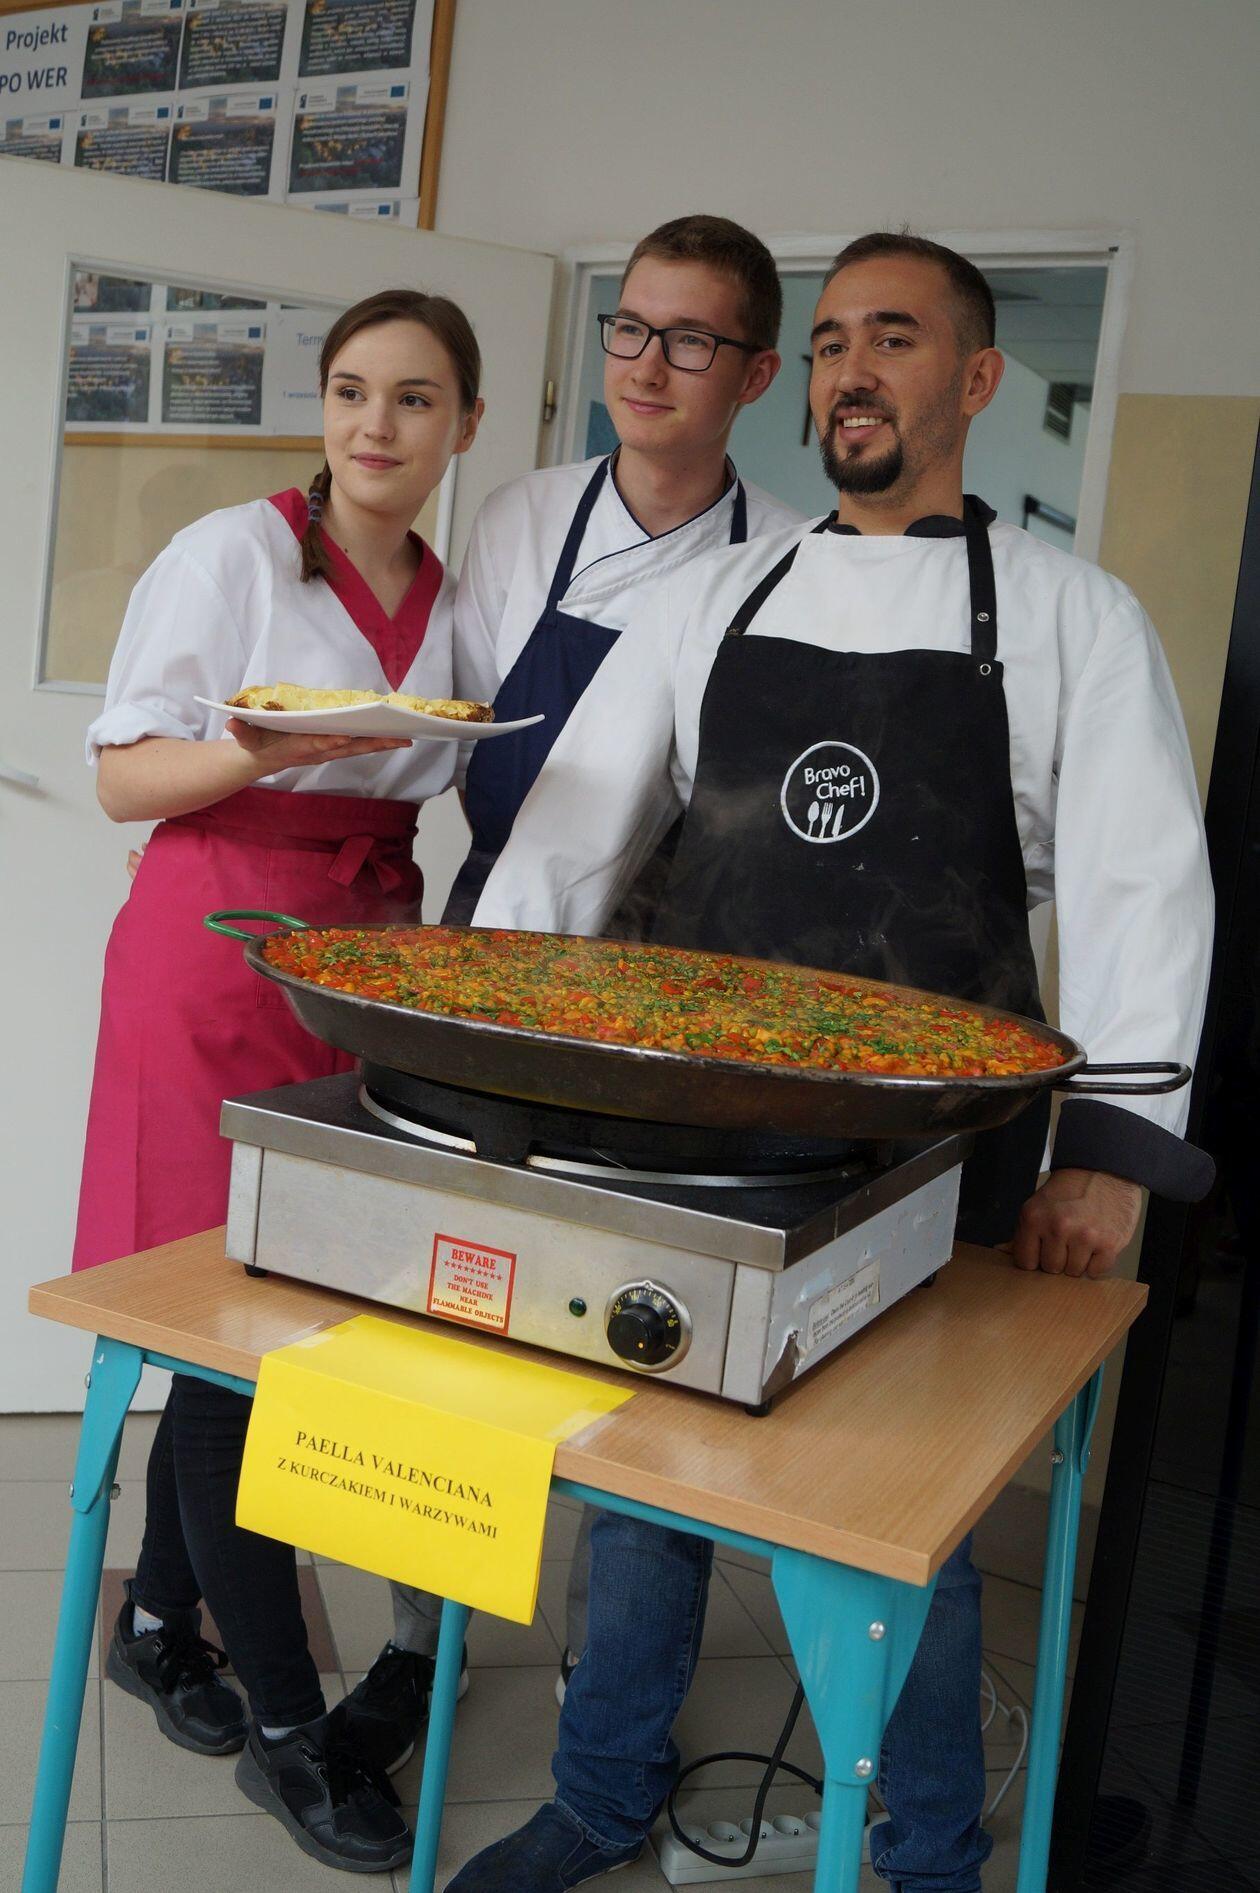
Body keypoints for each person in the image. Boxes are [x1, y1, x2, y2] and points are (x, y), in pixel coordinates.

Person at [443, 234, 1214, 1892]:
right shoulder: (717, 596)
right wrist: (499, 1054)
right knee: (645, 1477)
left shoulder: (1071, 615)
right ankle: (602, 1788)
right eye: (835, 340)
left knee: (895, 1521)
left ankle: (928, 1854)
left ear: (978, 378)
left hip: (937, 1159)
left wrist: (1110, 1154)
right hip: (702, 1135)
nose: (852, 371)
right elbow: (571, 834)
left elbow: (1144, 883)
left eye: (897, 338)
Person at [342, 214, 803, 1774]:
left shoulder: (784, 557)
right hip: (488, 940)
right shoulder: (525, 510)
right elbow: (451, 718)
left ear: (754, 374)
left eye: (690, 339)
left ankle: (611, 1692)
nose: (647, 365)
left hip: (666, 990)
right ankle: (421, 1638)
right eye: (629, 328)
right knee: (444, 1305)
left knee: (627, 1335)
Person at [74, 286, 484, 1874]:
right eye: (353, 389)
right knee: (227, 1334)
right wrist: (261, 749)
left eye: (416, 397)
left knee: (299, 1314)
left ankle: (156, 1623)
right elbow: (125, 778)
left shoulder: (450, 590)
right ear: (323, 405)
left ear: (462, 424)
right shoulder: (232, 555)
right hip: (216, 947)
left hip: (368, 959)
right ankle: (290, 1729)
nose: (378, 423)